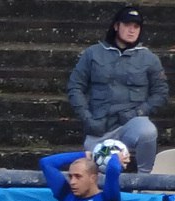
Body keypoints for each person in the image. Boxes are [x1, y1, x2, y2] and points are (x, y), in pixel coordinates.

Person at [67, 6, 166, 174]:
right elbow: (75, 86)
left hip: (130, 123)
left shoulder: (149, 58)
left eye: (136, 26)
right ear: (116, 26)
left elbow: (161, 93)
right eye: (127, 25)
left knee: (148, 131)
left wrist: (138, 112)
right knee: (92, 171)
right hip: (100, 125)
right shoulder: (92, 54)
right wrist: (87, 118)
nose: (132, 30)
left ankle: (144, 182)